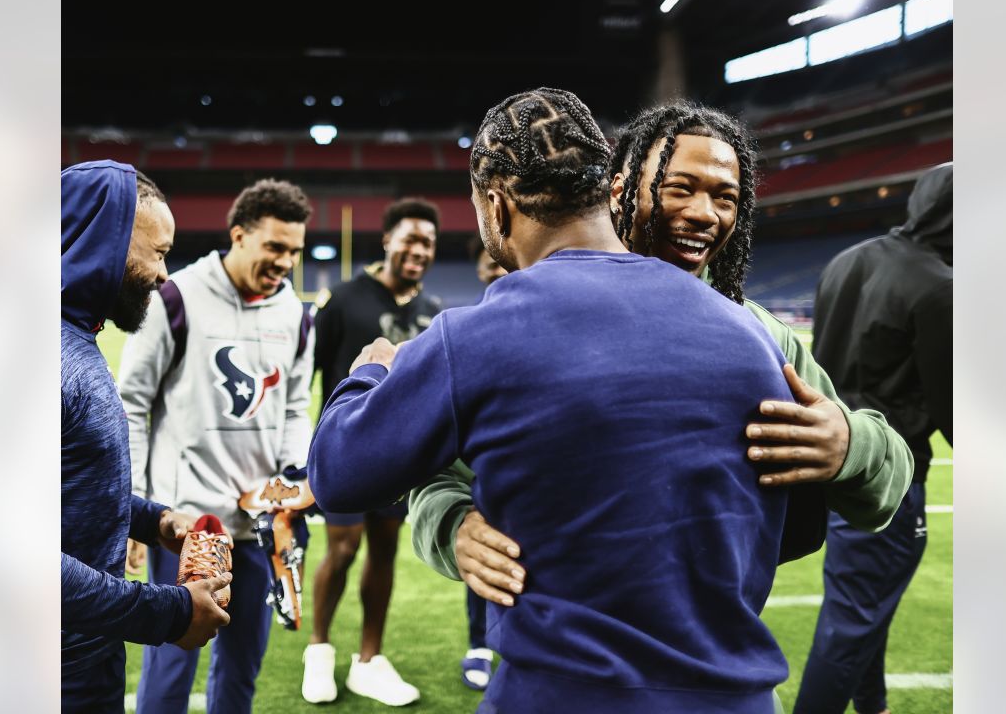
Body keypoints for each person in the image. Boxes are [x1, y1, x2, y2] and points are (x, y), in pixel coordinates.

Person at [309, 87, 797, 714]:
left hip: (561, 694)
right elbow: (799, 526)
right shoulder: (753, 335)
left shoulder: (476, 335)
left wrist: (368, 376)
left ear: (497, 205)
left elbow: (338, 475)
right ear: (607, 190)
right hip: (737, 699)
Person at [409, 102, 913, 609]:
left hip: (710, 658)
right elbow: (435, 466)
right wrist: (455, 526)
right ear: (617, 190)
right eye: (679, 187)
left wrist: (850, 444)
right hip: (560, 650)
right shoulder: (534, 318)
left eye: (725, 197)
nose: (703, 213)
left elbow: (884, 487)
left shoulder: (759, 335)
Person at [117, 178, 316, 714]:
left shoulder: (297, 316)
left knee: (242, 667)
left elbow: (295, 408)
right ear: (238, 235)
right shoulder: (176, 296)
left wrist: (292, 479)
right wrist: (134, 507)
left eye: (293, 250)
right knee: (170, 665)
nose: (285, 262)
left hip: (258, 524)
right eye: (275, 247)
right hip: (188, 527)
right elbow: (131, 403)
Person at [61, 160, 232, 713]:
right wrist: (169, 613)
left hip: (86, 653)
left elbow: (68, 481)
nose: (164, 274)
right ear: (105, 241)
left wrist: (152, 519)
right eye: (157, 253)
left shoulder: (75, 339)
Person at [793, 163, 953, 714]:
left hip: (834, 461)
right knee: (854, 617)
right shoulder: (939, 285)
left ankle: (873, 703)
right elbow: (953, 401)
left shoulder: (847, 260)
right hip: (888, 466)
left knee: (860, 607)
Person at [301, 197, 442, 706]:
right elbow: (309, 374)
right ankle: (318, 651)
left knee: (384, 551)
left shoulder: (432, 314)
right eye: (409, 238)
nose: (418, 250)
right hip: (344, 450)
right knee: (341, 550)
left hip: (398, 454)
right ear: (387, 240)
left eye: (427, 242)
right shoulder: (342, 299)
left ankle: (369, 658)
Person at [459, 239, 506, 691]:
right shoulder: (466, 329)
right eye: (488, 265)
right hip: (482, 473)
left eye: (500, 263)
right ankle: (478, 643)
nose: (496, 270)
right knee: (482, 556)